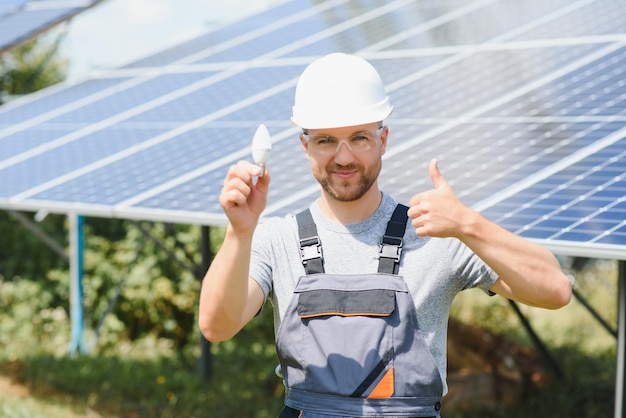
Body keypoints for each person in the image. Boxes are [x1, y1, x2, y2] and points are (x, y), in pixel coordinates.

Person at [199, 52, 572, 417]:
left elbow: (554, 290)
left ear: (383, 139)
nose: (343, 157)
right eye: (326, 140)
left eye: (359, 137)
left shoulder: (435, 232)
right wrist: (239, 231)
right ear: (305, 146)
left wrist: (468, 224)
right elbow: (216, 326)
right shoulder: (275, 239)